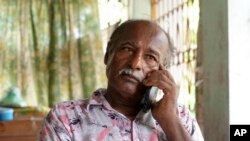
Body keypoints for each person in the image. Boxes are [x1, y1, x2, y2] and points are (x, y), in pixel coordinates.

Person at [39, 19, 204, 141]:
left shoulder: (179, 117)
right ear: (108, 55)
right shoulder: (65, 117)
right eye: (127, 49)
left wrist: (169, 120)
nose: (135, 63)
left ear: (163, 70)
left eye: (150, 57)